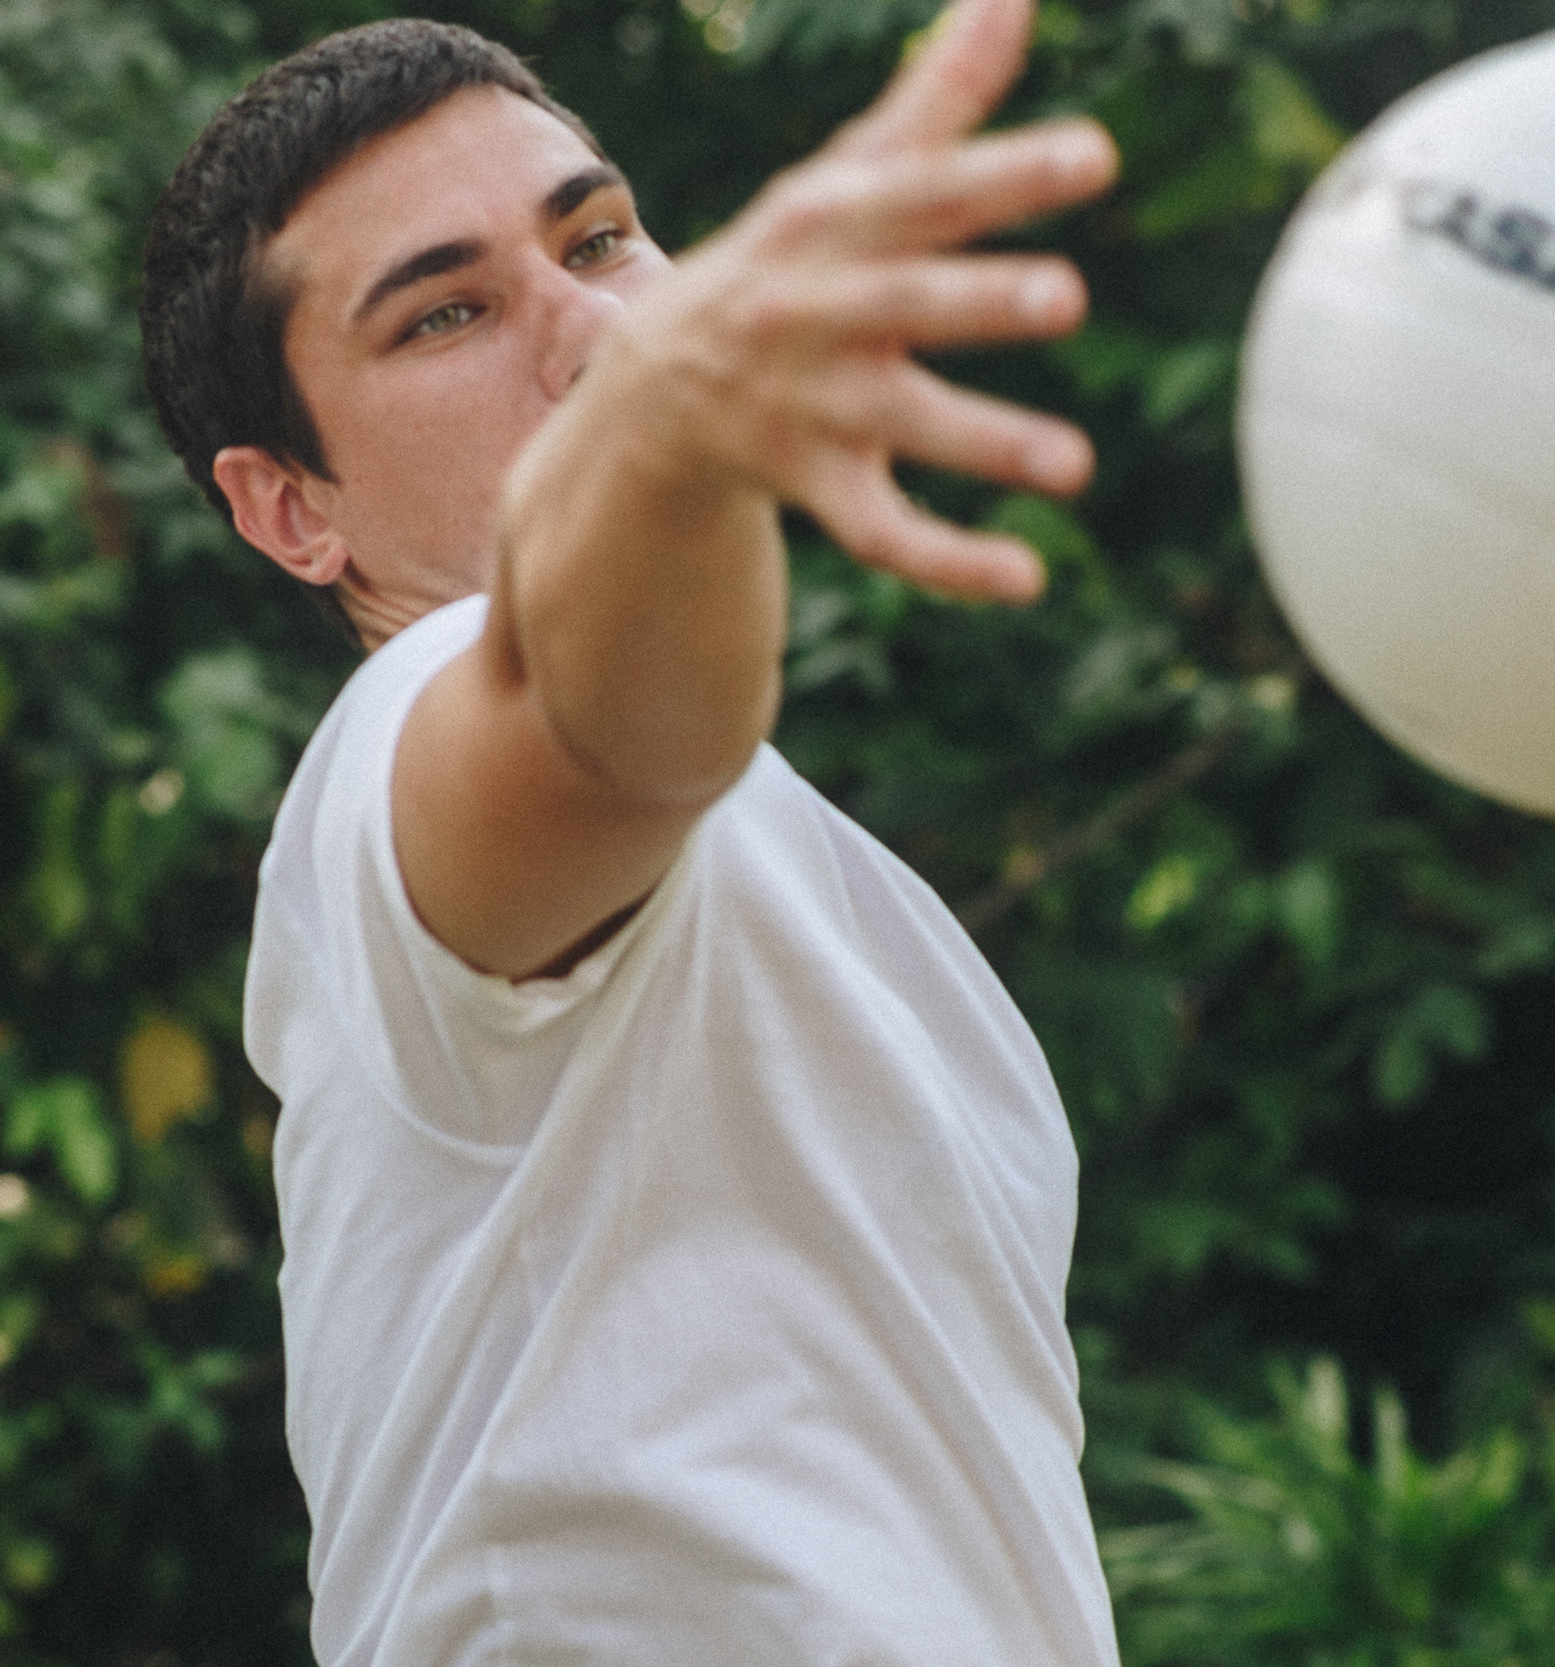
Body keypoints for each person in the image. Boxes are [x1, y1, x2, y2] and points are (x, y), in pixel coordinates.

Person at [136, 2, 1123, 1661]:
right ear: (293, 509)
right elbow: (599, 734)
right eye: (444, 314)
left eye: (598, 239)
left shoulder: (803, 871)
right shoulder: (416, 731)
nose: (591, 331)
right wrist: (666, 438)